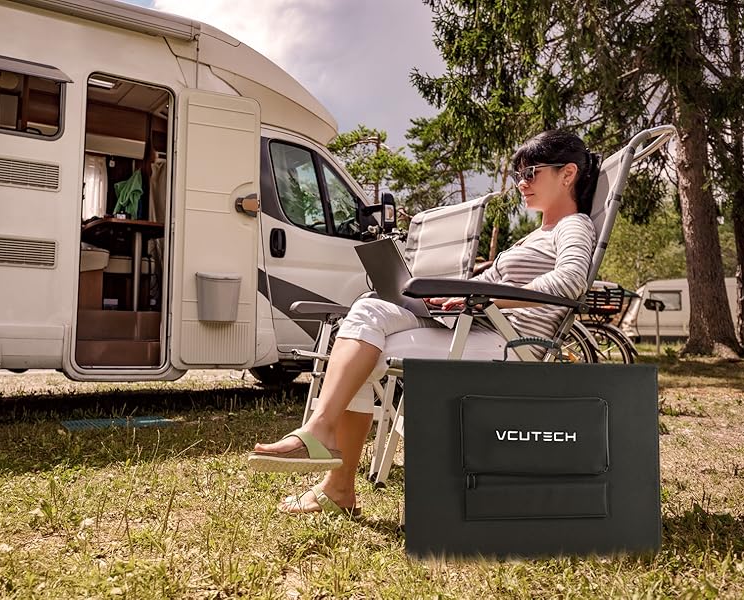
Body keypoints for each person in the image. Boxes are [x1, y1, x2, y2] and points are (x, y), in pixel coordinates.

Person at [247, 130, 601, 516]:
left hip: (508, 343)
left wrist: (485, 297)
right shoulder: (537, 235)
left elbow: (571, 281)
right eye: (518, 174)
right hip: (479, 327)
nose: (521, 182)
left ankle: (335, 480)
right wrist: (442, 294)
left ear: (567, 174)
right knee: (368, 310)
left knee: (365, 351)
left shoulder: (573, 226)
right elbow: (489, 285)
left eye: (531, 172)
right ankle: (323, 440)